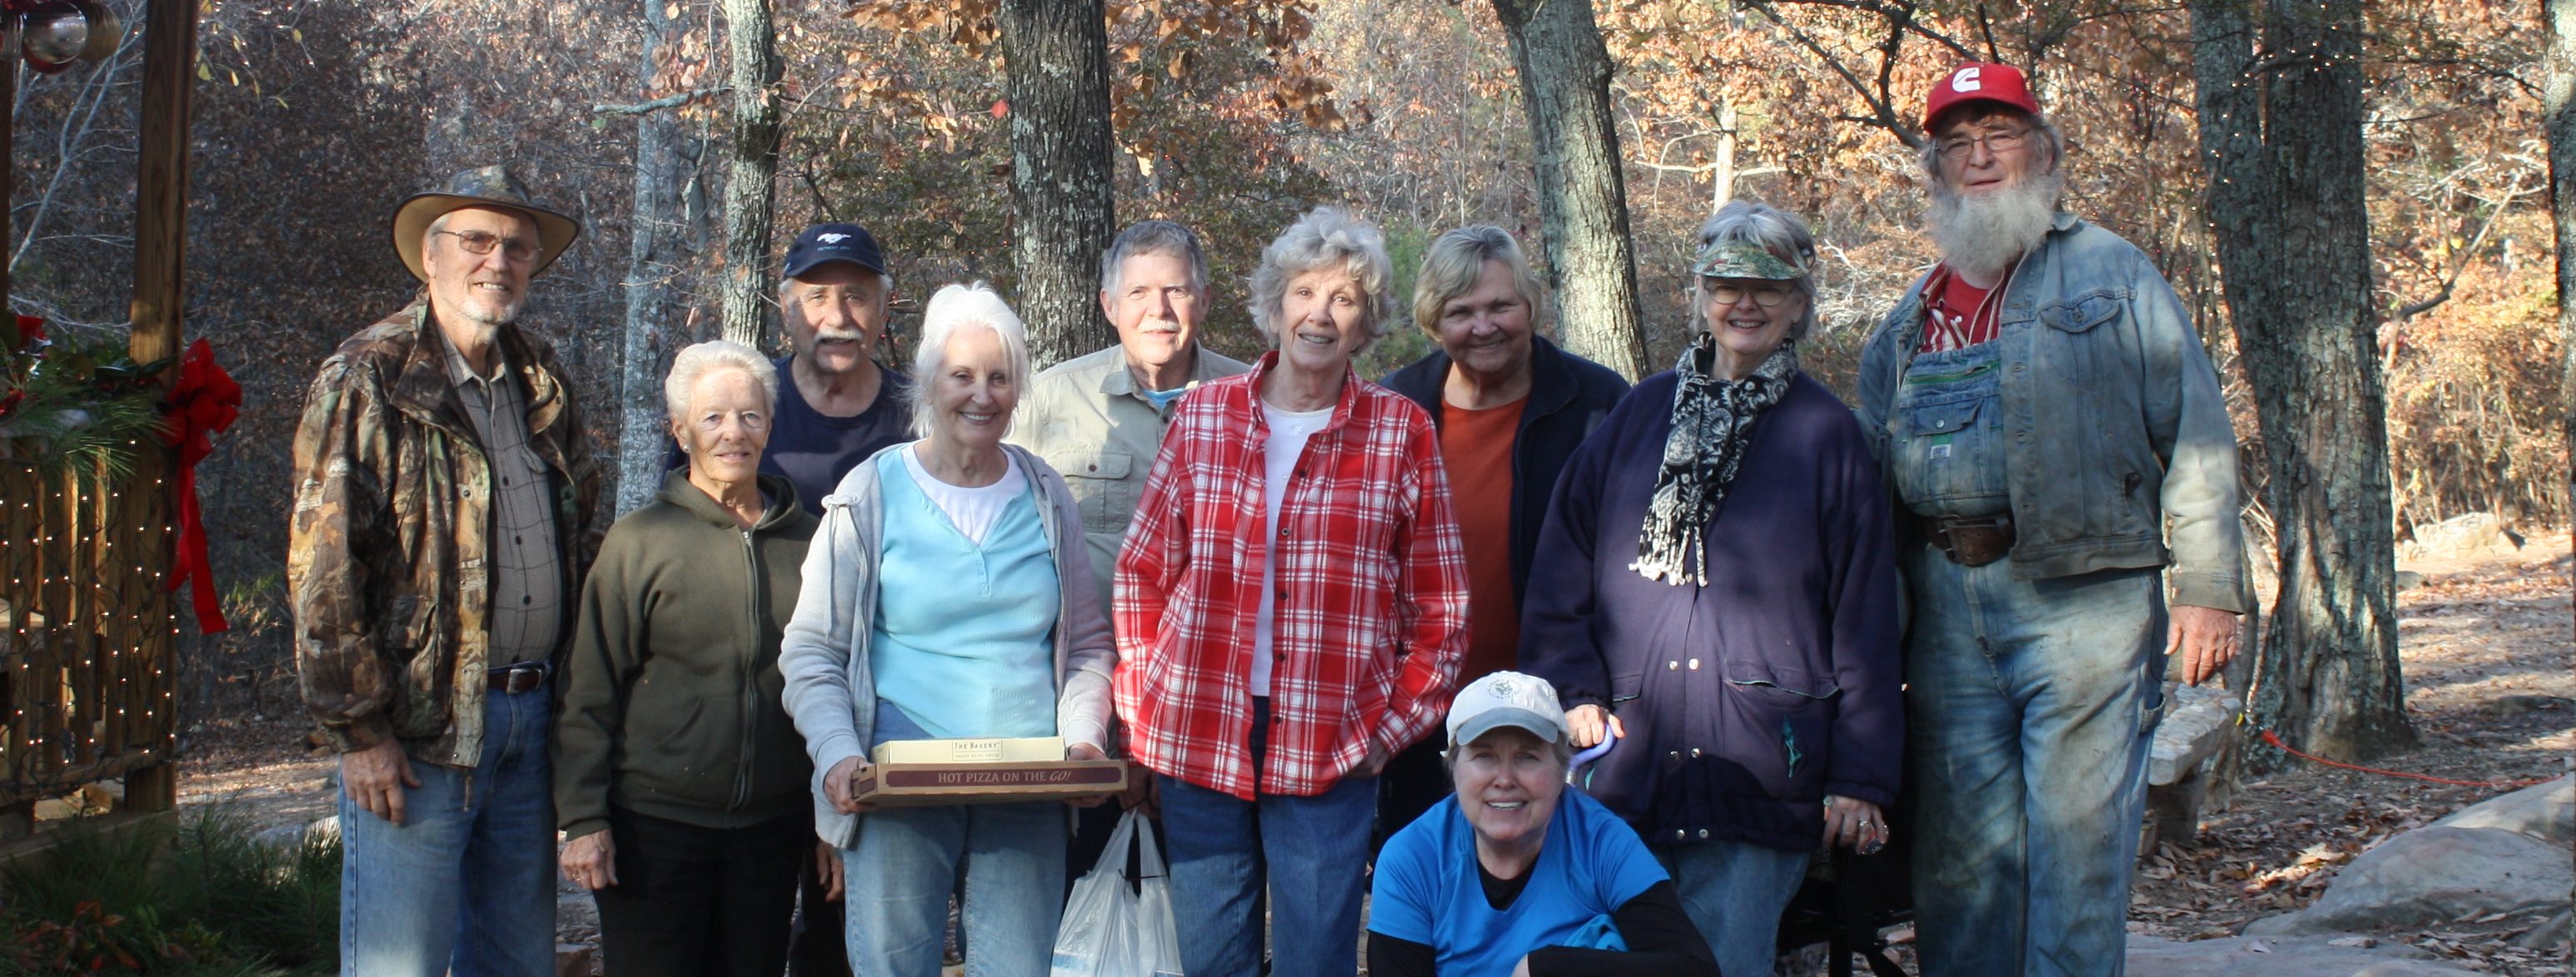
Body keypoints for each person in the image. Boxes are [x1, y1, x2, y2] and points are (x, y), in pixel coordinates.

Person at [1854, 62, 2247, 975]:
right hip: (1945, 611)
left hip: (2087, 605)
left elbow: (2194, 428)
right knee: (1960, 859)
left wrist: (2210, 589)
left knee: (2075, 850)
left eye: (1999, 134)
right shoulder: (1908, 317)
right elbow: (1868, 480)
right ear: (1936, 174)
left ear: (2043, 149)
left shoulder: (2112, 271)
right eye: (1956, 144)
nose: (1979, 155)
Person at [1520, 201, 1902, 977]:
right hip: (1626, 760)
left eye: (1769, 287)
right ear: (1699, 295)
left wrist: (1859, 778)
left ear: (1799, 303)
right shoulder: (1638, 416)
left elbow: (1866, 615)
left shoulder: (1827, 435)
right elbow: (1561, 569)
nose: (1745, 303)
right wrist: (1574, 689)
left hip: (1760, 766)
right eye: (1725, 284)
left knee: (1723, 966)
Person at [1114, 206, 1471, 977]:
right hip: (1199, 728)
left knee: (1316, 958)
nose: (1319, 314)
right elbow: (1142, 572)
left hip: (1331, 736)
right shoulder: (1206, 416)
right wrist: (1142, 705)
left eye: (1343, 299)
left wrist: (1389, 729)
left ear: (1366, 322)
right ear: (1273, 307)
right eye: (1304, 292)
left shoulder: (1398, 431)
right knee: (1211, 958)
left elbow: (1441, 607)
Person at [287, 165, 603, 975]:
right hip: (419, 734)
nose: (498, 260)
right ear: (430, 259)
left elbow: (581, 537)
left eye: (518, 248)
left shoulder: (543, 379)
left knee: (514, 958)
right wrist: (360, 731)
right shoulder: (372, 376)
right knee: (403, 963)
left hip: (532, 724)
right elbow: (323, 567)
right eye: (477, 240)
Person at [779, 283, 1116, 975]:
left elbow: (1085, 646)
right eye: (962, 376)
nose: (981, 395)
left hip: (1028, 782)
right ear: (929, 382)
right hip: (899, 779)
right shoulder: (870, 492)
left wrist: (1084, 740)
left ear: (1018, 389)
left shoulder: (1048, 494)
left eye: (999, 377)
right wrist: (839, 752)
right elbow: (813, 648)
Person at [552, 342, 820, 976]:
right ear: (680, 431)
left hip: (773, 827)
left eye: (750, 416)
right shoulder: (640, 542)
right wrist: (584, 817)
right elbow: (589, 689)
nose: (734, 433)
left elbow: (840, 682)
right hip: (655, 826)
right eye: (712, 418)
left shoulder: (813, 541)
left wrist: (828, 822)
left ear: (769, 426)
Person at [1009, 219, 1251, 875]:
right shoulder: (1049, 402)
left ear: (1202, 300)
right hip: (1081, 699)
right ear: (1108, 305)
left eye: (1175, 290)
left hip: (1209, 700)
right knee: (1073, 893)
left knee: (1199, 897)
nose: (1159, 310)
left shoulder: (1251, 400)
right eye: (1139, 292)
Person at [1376, 225, 1630, 842]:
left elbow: (1624, 566)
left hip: (1553, 703)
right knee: (1425, 877)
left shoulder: (1596, 403)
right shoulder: (1396, 408)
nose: (1483, 326)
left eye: (1500, 306)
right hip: (1419, 707)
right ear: (1435, 322)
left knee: (1544, 879)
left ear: (1530, 306)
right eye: (1461, 312)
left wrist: (1591, 688)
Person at [1367, 672, 1720, 977]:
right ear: (1453, 769)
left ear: (1560, 770)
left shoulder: (1600, 839)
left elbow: (1695, 968)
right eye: (1484, 756)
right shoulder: (1412, 858)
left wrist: (1548, 968)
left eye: (1528, 756)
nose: (1504, 779)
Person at [670, 222, 913, 515]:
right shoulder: (740, 406)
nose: (837, 318)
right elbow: (675, 524)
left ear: (884, 307)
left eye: (855, 297)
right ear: (786, 308)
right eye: (817, 297)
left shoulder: (920, 414)